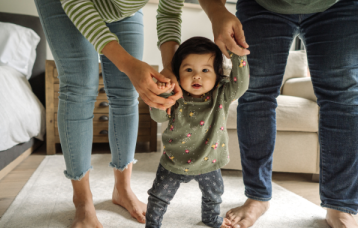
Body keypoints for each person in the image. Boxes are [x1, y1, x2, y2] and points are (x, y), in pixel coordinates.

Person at [198, 0, 358, 227]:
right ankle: (257, 196)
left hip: (339, 5)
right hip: (261, 5)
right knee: (254, 95)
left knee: (343, 99)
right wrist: (216, 11)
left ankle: (340, 205)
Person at [34, 0, 185, 227]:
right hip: (67, 3)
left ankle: (122, 189)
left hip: (124, 8)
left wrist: (170, 67)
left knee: (125, 91)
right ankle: (82, 200)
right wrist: (128, 64)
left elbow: (170, 12)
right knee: (79, 87)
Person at [146, 36, 249, 228]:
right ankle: (152, 224)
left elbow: (241, 85)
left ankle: (210, 218)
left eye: (205, 70)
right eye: (188, 70)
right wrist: (163, 92)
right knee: (158, 196)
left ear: (218, 73)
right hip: (173, 162)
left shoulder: (221, 94)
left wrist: (237, 53)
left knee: (214, 194)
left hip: (208, 162)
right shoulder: (176, 95)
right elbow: (158, 117)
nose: (197, 76)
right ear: (177, 73)